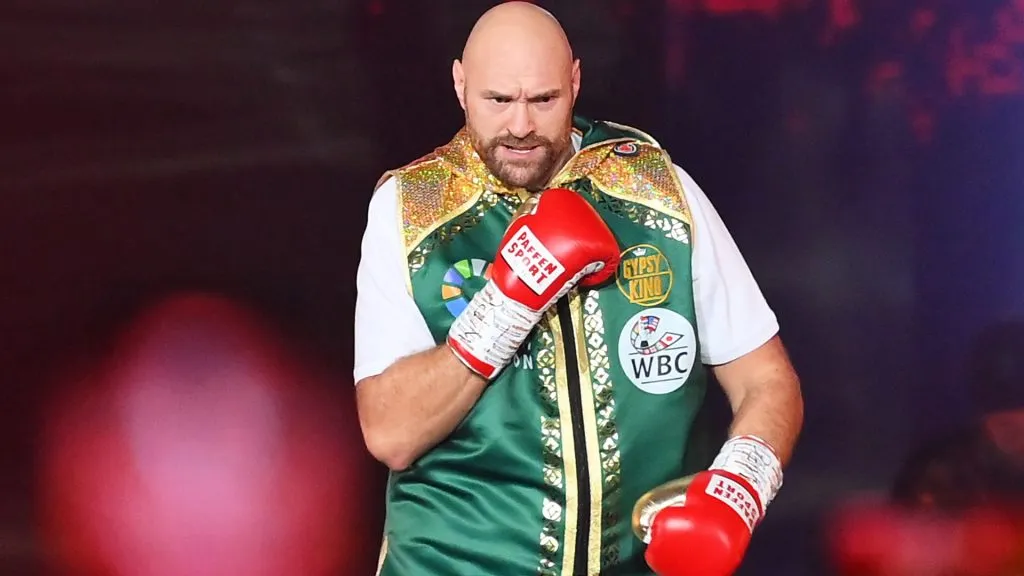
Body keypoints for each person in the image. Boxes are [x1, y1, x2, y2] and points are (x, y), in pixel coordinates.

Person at [353, 3, 804, 575]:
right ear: (460, 84)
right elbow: (390, 432)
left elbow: (767, 380)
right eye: (498, 100)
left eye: (543, 100)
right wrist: (507, 303)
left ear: (575, 82)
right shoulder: (410, 209)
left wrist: (739, 488)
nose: (520, 125)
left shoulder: (656, 191)